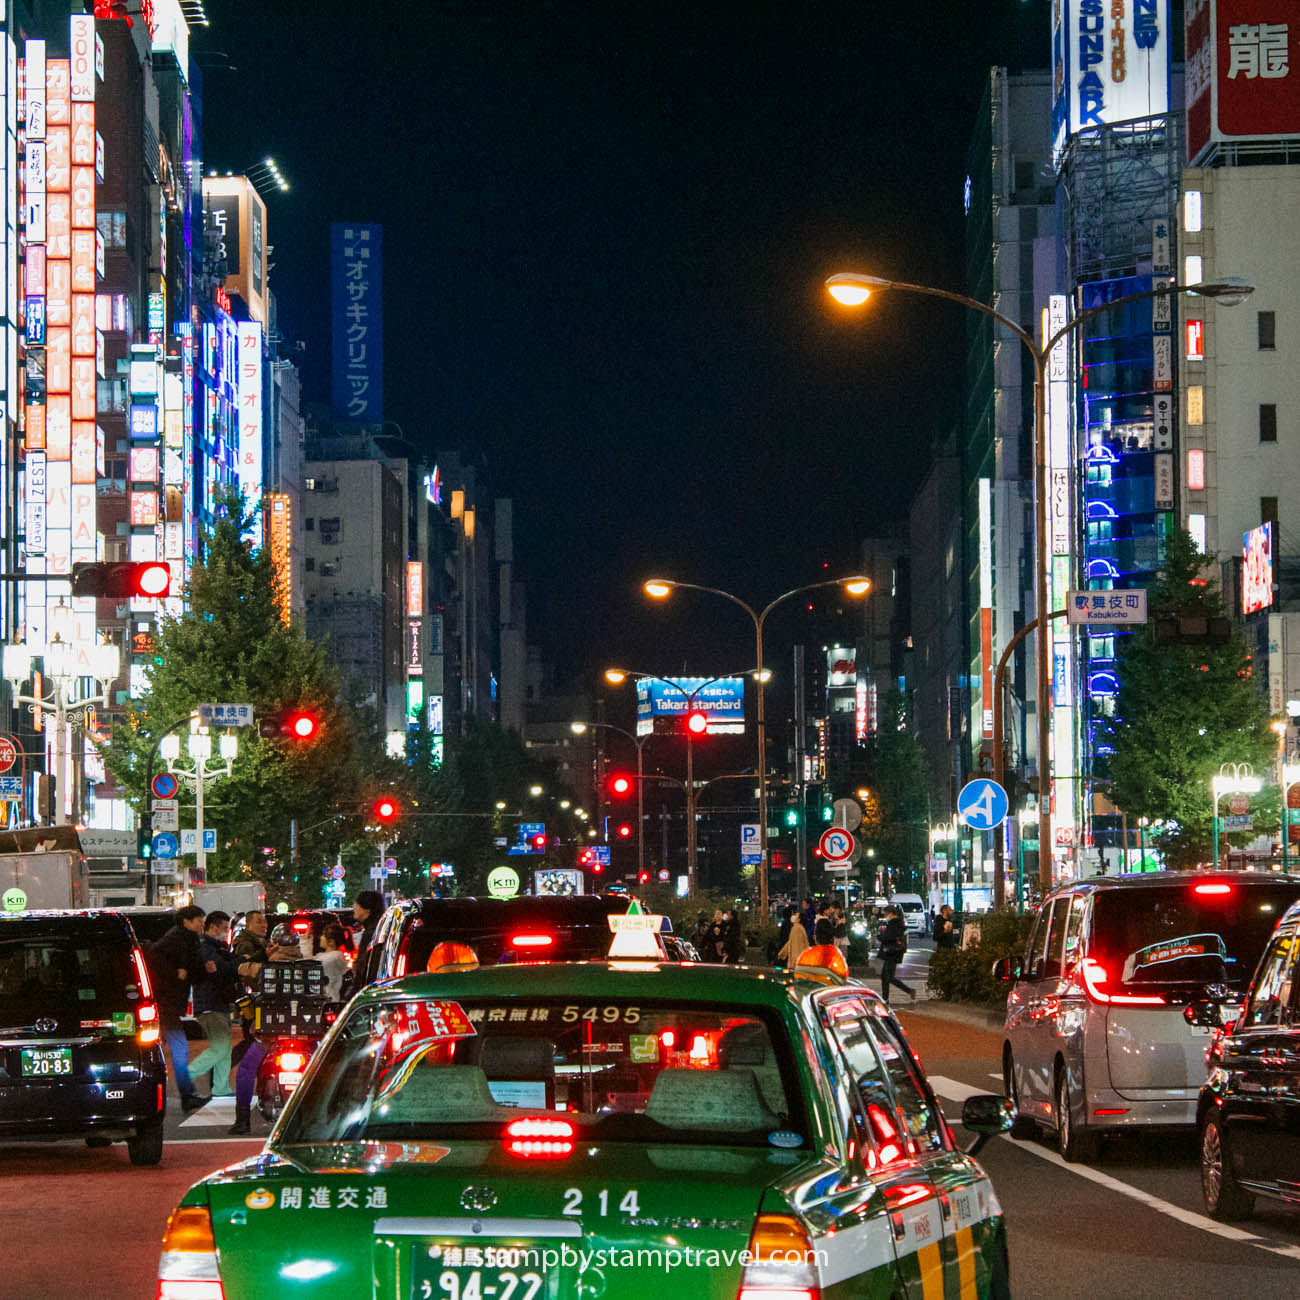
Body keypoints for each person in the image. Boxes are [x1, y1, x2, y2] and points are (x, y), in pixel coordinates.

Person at [228, 922, 312, 1135]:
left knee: (246, 1069)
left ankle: (242, 1121)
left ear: (274, 944)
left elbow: (240, 969)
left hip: (269, 1033)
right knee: (322, 1068)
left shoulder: (263, 968)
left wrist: (264, 955)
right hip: (305, 1032)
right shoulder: (309, 967)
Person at [148, 904, 209, 1113]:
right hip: (167, 1002)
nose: (202, 923)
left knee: (168, 1048)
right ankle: (186, 1094)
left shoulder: (184, 938)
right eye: (199, 919)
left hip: (169, 1002)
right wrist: (176, 974)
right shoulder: (176, 938)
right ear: (187, 921)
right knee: (179, 1047)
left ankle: (184, 1094)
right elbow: (155, 957)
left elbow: (193, 968)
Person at [188, 911, 238, 1098]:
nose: (226, 932)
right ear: (213, 926)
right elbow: (223, 969)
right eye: (224, 929)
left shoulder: (216, 947)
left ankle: (221, 1087)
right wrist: (239, 962)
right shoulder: (205, 948)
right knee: (220, 1048)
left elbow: (224, 967)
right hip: (210, 1004)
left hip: (218, 1003)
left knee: (224, 1048)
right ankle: (188, 1075)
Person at [877, 906, 915, 1005]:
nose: (885, 916)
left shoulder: (894, 924)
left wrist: (880, 936)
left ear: (891, 913)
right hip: (893, 952)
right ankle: (885, 999)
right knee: (885, 976)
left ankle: (909, 991)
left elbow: (889, 937)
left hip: (892, 952)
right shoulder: (897, 923)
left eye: (886, 913)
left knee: (888, 977)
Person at [315, 922, 350, 999]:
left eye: (323, 935)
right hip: (320, 997)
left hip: (330, 998)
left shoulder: (335, 956)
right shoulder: (321, 956)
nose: (320, 937)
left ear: (331, 941)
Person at [352, 890, 384, 958]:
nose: (354, 907)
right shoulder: (377, 927)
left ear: (367, 909)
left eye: (357, 904)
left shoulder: (371, 933)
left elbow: (363, 963)